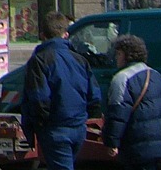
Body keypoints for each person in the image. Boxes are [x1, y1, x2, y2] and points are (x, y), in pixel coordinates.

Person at [21, 10, 102, 170]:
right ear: (65, 34)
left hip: (55, 128)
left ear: (42, 35)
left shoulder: (40, 61)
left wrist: (39, 125)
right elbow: (95, 97)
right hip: (78, 126)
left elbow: (38, 98)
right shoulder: (80, 59)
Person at [102, 34, 161, 169]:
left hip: (136, 144)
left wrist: (112, 142)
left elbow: (118, 115)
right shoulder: (155, 75)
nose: (116, 58)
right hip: (159, 143)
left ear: (126, 55)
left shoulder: (122, 79)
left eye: (118, 53)